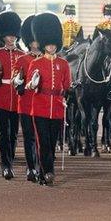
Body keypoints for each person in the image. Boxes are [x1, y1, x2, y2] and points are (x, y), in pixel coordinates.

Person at [27, 12, 71, 186]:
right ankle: (48, 172)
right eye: (48, 44)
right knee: (43, 142)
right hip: (40, 106)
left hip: (58, 108)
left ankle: (43, 170)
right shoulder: (35, 63)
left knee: (52, 143)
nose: (51, 47)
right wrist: (32, 83)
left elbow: (67, 85)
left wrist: (70, 93)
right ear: (44, 44)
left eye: (53, 44)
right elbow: (30, 84)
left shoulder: (64, 64)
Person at [0, 11, 24, 180]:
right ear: (3, 36)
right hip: (1, 98)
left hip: (17, 100)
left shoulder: (21, 55)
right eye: (8, 35)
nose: (11, 38)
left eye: (13, 35)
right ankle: (6, 166)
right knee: (3, 133)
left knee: (13, 134)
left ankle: (9, 161)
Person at [15, 15, 40, 181]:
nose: (36, 43)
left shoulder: (50, 61)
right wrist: (19, 80)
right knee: (29, 136)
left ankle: (42, 165)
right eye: (33, 40)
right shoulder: (22, 59)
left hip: (43, 105)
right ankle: (31, 167)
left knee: (43, 138)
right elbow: (15, 79)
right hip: (26, 103)